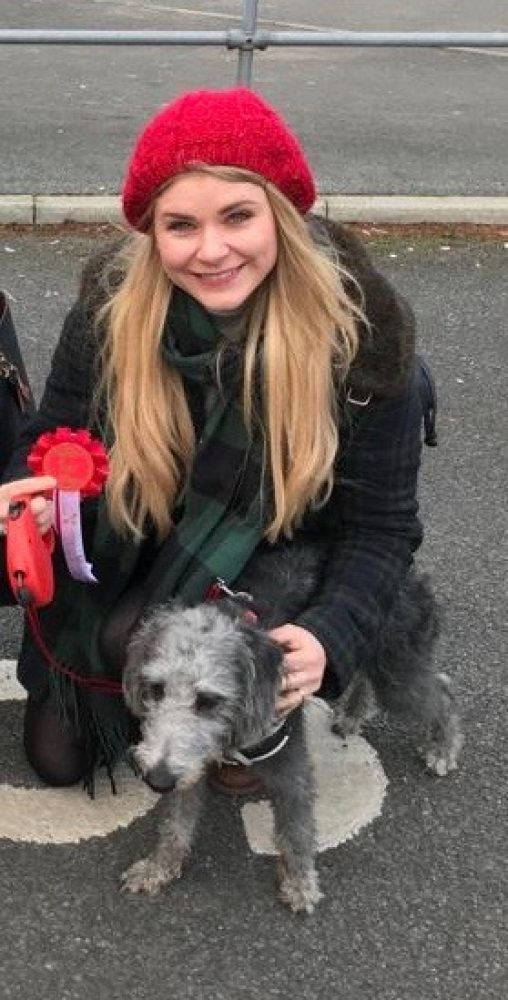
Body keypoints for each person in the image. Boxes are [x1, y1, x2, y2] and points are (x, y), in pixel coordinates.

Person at [0, 86, 426, 792]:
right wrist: (31, 494)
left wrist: (328, 638)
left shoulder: (367, 349)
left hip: (277, 551)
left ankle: (252, 702)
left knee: (138, 653)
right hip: (148, 526)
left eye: (237, 216)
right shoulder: (110, 312)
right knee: (58, 762)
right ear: (151, 233)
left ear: (282, 217)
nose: (212, 250)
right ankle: (151, 669)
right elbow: (53, 433)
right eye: (181, 226)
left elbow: (383, 531)